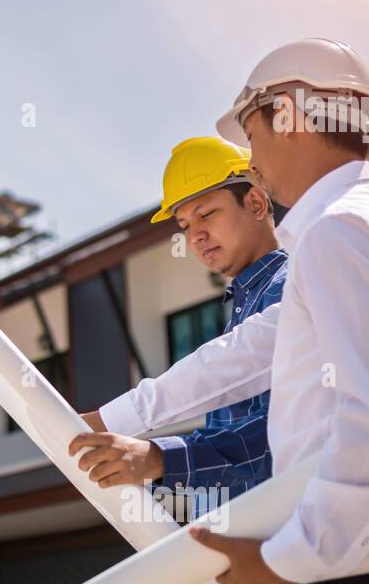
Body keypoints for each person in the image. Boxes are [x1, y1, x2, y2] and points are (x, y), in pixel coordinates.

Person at [72, 39, 369, 584]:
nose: (253, 160)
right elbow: (248, 353)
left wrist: (290, 559)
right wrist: (119, 416)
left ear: (286, 114)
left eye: (252, 135)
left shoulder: (341, 231)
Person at [69, 137, 286, 528]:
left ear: (255, 203)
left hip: (282, 558)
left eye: (206, 214)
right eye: (185, 225)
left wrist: (155, 456)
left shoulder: (291, 286)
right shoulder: (246, 304)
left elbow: (283, 442)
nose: (195, 236)